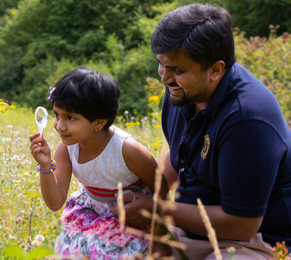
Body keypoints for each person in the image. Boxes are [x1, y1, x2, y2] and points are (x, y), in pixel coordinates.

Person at [109, 3, 291, 259]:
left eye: (177, 70)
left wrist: (157, 210)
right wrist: (142, 192)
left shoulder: (247, 119)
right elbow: (181, 152)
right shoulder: (182, 90)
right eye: (161, 64)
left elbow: (242, 224)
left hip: (254, 242)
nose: (164, 77)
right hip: (189, 226)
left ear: (216, 70)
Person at [29, 67, 169, 259]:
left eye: (70, 118)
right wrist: (45, 166)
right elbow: (55, 202)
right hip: (90, 211)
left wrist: (159, 234)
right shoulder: (67, 148)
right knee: (71, 253)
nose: (59, 126)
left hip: (130, 213)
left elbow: (161, 190)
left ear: (99, 122)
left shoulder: (127, 149)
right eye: (56, 115)